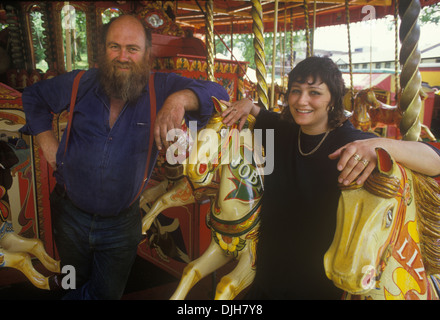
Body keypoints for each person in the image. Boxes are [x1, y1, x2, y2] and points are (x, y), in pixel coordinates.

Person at [20, 15, 229, 300]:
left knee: (108, 293)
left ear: (147, 53)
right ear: (103, 50)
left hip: (121, 225)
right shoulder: (80, 82)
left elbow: (218, 92)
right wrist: (45, 140)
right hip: (69, 215)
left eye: (132, 48)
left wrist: (178, 100)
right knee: (70, 278)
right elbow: (33, 96)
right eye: (114, 46)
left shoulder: (162, 87)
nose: (122, 56)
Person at [221, 56, 440, 299]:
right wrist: (247, 103)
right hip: (269, 272)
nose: (301, 100)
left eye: (314, 93)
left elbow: (435, 160)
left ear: (333, 100)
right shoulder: (282, 130)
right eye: (296, 91)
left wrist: (379, 144)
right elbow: (257, 112)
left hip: (318, 282)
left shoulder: (352, 143)